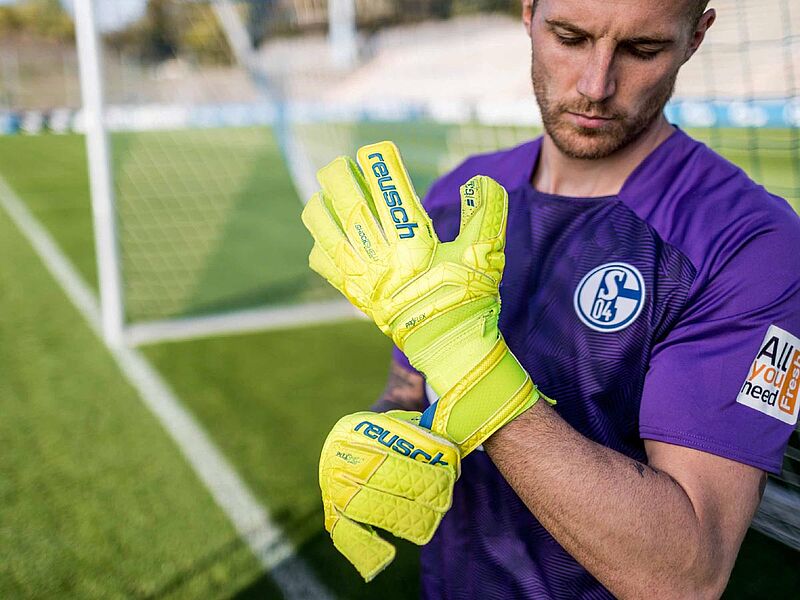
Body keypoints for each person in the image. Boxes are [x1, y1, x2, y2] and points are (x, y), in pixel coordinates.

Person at [365, 0, 800, 597]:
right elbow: (410, 387)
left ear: (696, 37)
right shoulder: (458, 195)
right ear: (528, 13)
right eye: (570, 38)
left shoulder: (746, 243)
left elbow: (688, 575)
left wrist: (474, 372)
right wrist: (382, 431)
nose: (596, 86)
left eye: (642, 49)